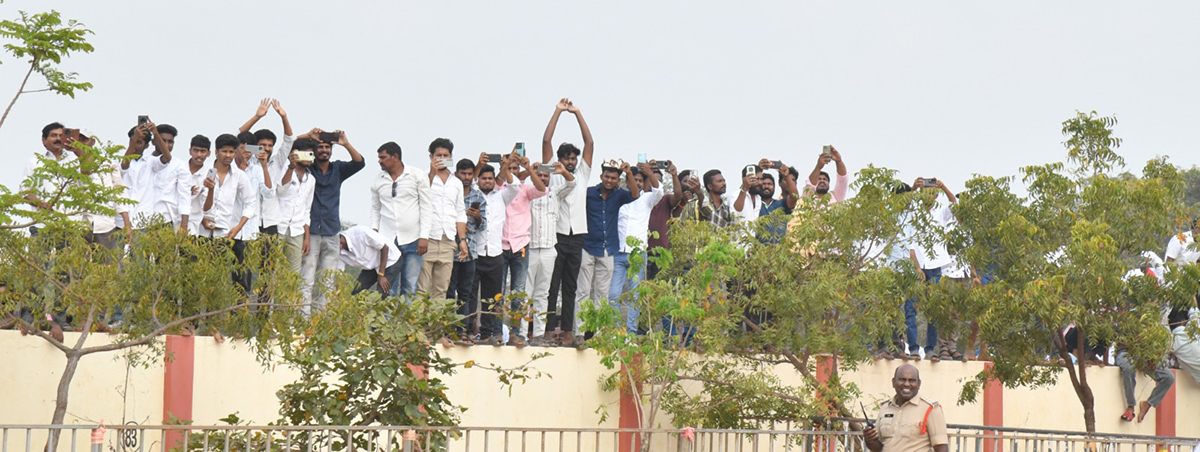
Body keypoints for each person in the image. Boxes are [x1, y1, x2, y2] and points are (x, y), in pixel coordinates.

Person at [543, 98, 595, 345]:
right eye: (566, 157)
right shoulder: (553, 175)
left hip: (577, 236)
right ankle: (548, 329)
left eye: (573, 157)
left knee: (571, 287)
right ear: (559, 160)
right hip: (556, 235)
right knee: (552, 286)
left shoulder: (583, 174)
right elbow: (546, 142)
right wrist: (557, 111)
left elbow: (590, 143)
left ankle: (567, 332)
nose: (570, 161)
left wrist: (577, 113)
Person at [299, 128, 364, 312]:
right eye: (320, 147)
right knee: (307, 277)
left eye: (327, 147)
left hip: (332, 231)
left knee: (327, 280)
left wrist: (345, 143)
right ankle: (303, 321)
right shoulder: (308, 167)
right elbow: (290, 149)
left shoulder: (338, 169)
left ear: (331, 150)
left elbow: (360, 163)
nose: (324, 150)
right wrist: (307, 136)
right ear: (314, 150)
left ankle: (321, 321)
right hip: (310, 232)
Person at [578, 159, 642, 345]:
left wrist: (629, 173)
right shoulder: (589, 193)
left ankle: (598, 333)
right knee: (582, 293)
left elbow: (635, 194)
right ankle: (580, 332)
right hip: (587, 246)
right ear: (601, 176)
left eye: (614, 178)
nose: (609, 180)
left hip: (608, 249)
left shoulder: (620, 195)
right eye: (607, 176)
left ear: (618, 180)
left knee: (602, 295)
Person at [904, 177, 957, 362]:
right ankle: (912, 348)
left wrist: (944, 187)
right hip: (915, 266)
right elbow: (902, 206)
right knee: (910, 308)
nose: (929, 194)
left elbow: (955, 205)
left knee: (933, 310)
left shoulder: (941, 212)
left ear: (936, 195)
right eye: (926, 190)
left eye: (933, 191)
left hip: (935, 266)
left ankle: (930, 349)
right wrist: (913, 188)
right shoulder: (914, 212)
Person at [498, 153, 548, 346]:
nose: (512, 172)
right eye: (509, 169)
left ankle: (515, 333)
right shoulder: (499, 188)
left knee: (518, 293)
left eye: (515, 169)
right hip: (500, 245)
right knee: (499, 293)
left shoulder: (526, 189)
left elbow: (542, 189)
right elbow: (497, 181)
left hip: (520, 245)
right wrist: (504, 166)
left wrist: (529, 170)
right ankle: (497, 331)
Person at [370, 141, 431, 299]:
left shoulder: (417, 176)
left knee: (409, 286)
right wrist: (374, 232)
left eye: (383, 157)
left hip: (413, 239)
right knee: (388, 287)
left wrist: (424, 236)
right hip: (388, 240)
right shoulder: (378, 180)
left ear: (395, 157)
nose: (380, 161)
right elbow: (375, 209)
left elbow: (426, 206)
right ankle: (387, 324)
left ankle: (406, 323)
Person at [610, 162, 662, 334]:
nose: (638, 183)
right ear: (626, 181)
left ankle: (631, 333)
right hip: (618, 253)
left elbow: (659, 191)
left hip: (637, 254)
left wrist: (650, 173)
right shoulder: (620, 198)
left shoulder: (647, 199)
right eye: (634, 180)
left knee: (635, 296)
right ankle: (617, 330)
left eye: (641, 180)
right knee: (614, 295)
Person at [526, 162, 575, 346]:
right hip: (529, 247)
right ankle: (522, 333)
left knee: (542, 294)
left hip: (548, 248)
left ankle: (538, 334)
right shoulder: (527, 192)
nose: (543, 178)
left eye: (545, 175)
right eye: (539, 175)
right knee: (525, 294)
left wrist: (562, 171)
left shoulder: (554, 192)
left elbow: (572, 184)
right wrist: (529, 169)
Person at [419, 138, 470, 301]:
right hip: (428, 238)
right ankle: (415, 326)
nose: (441, 158)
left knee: (441, 289)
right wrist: (432, 173)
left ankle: (436, 326)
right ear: (431, 156)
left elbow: (460, 212)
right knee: (421, 288)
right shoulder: (422, 178)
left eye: (445, 155)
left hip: (448, 239)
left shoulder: (456, 183)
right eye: (438, 155)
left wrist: (462, 240)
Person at [236, 98, 295, 236]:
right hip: (250, 220)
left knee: (269, 258)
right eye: (262, 145)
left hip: (271, 221)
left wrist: (284, 117)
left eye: (270, 145)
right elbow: (237, 137)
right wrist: (257, 116)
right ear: (255, 146)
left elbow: (289, 140)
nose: (266, 149)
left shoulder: (277, 161)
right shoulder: (248, 161)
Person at [121, 121, 189, 229]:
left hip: (158, 219)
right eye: (162, 141)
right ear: (153, 142)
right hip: (123, 221)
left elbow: (184, 196)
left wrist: (155, 133)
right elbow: (124, 165)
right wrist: (135, 140)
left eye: (170, 141)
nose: (166, 144)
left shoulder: (152, 162)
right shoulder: (121, 161)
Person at [864, 364, 948, 452]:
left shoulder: (930, 409)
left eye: (911, 380)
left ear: (919, 384)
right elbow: (879, 448)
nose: (907, 384)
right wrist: (869, 440)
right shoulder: (885, 408)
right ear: (893, 382)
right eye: (902, 380)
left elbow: (941, 448)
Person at [473, 160, 509, 346]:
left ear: (494, 180)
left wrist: (507, 165)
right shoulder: (472, 194)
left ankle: (487, 333)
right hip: (476, 252)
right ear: (478, 179)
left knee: (492, 297)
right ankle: (470, 331)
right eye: (483, 178)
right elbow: (469, 180)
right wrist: (478, 165)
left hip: (495, 252)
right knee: (471, 295)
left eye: (490, 178)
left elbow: (516, 187)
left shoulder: (502, 196)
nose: (487, 181)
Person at [449, 159, 486, 343]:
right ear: (456, 174)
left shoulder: (478, 197)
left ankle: (462, 329)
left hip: (470, 252)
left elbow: (483, 226)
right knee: (449, 292)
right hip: (451, 250)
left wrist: (477, 218)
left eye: (470, 174)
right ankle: (448, 329)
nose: (467, 177)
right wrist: (460, 228)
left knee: (465, 293)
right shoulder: (451, 193)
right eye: (463, 174)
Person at [277, 140, 317, 289]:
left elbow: (307, 210)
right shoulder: (283, 170)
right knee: (271, 270)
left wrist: (306, 238)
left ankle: (287, 310)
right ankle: (267, 310)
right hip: (279, 227)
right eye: (304, 153)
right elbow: (280, 190)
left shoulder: (311, 179)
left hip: (297, 230)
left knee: (293, 274)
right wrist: (291, 166)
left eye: (310, 154)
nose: (308, 157)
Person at [645, 163, 685, 280]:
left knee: (659, 287)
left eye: (659, 181)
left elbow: (678, 195)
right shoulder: (639, 199)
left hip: (661, 252)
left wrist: (674, 175)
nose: (655, 183)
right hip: (642, 251)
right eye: (652, 179)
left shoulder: (665, 199)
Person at [337, 225, 401, 296]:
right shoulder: (337, 254)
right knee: (356, 293)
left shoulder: (361, 233)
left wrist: (381, 275)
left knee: (381, 293)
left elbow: (385, 248)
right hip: (371, 265)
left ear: (339, 237)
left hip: (390, 259)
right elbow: (340, 275)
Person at [755, 159, 800, 243]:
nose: (766, 186)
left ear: (775, 187)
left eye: (770, 184)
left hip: (778, 253)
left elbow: (794, 197)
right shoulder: (754, 204)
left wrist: (787, 176)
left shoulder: (780, 204)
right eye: (763, 184)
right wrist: (759, 169)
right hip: (758, 253)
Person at [183, 135, 212, 236]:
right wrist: (185, 192)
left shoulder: (208, 173)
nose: (199, 155)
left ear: (208, 154)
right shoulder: (180, 168)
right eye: (195, 150)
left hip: (192, 224)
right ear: (190, 151)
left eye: (203, 151)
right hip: (173, 220)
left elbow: (206, 207)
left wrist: (211, 189)